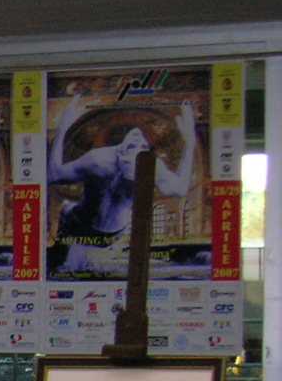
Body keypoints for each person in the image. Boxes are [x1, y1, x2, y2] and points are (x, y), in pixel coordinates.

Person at [48, 96, 197, 272]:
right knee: (67, 211)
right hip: (83, 222)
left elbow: (180, 189)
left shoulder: (147, 165)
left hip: (102, 232)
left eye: (141, 147)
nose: (139, 140)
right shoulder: (99, 160)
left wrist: (190, 143)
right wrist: (63, 128)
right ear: (120, 151)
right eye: (134, 147)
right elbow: (53, 175)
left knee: (73, 264)